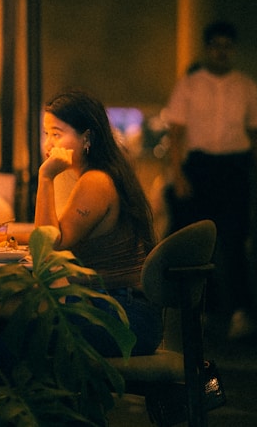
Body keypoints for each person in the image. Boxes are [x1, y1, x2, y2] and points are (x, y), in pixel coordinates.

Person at [33, 90, 161, 357]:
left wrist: (45, 178)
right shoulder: (100, 174)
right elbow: (52, 231)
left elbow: (49, 243)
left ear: (86, 137)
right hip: (119, 309)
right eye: (46, 134)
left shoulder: (96, 182)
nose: (48, 144)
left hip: (124, 316)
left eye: (57, 134)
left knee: (20, 337)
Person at [164, 21, 257, 341]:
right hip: (200, 168)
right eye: (216, 46)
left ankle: (239, 313)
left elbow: (254, 132)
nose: (222, 52)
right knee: (200, 244)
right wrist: (177, 173)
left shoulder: (246, 87)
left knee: (235, 241)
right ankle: (203, 311)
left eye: (227, 46)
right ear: (207, 49)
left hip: (235, 168)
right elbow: (176, 133)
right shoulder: (190, 85)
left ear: (233, 50)